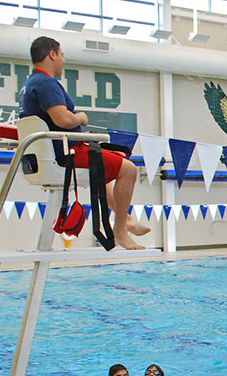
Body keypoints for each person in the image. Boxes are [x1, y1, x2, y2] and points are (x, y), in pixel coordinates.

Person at [19, 37, 146, 249]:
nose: (62, 60)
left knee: (108, 166)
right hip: (66, 153)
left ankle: (125, 218)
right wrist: (80, 117)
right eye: (62, 55)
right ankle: (120, 231)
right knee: (129, 170)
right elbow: (63, 119)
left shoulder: (29, 84)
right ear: (52, 54)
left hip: (56, 151)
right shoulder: (45, 83)